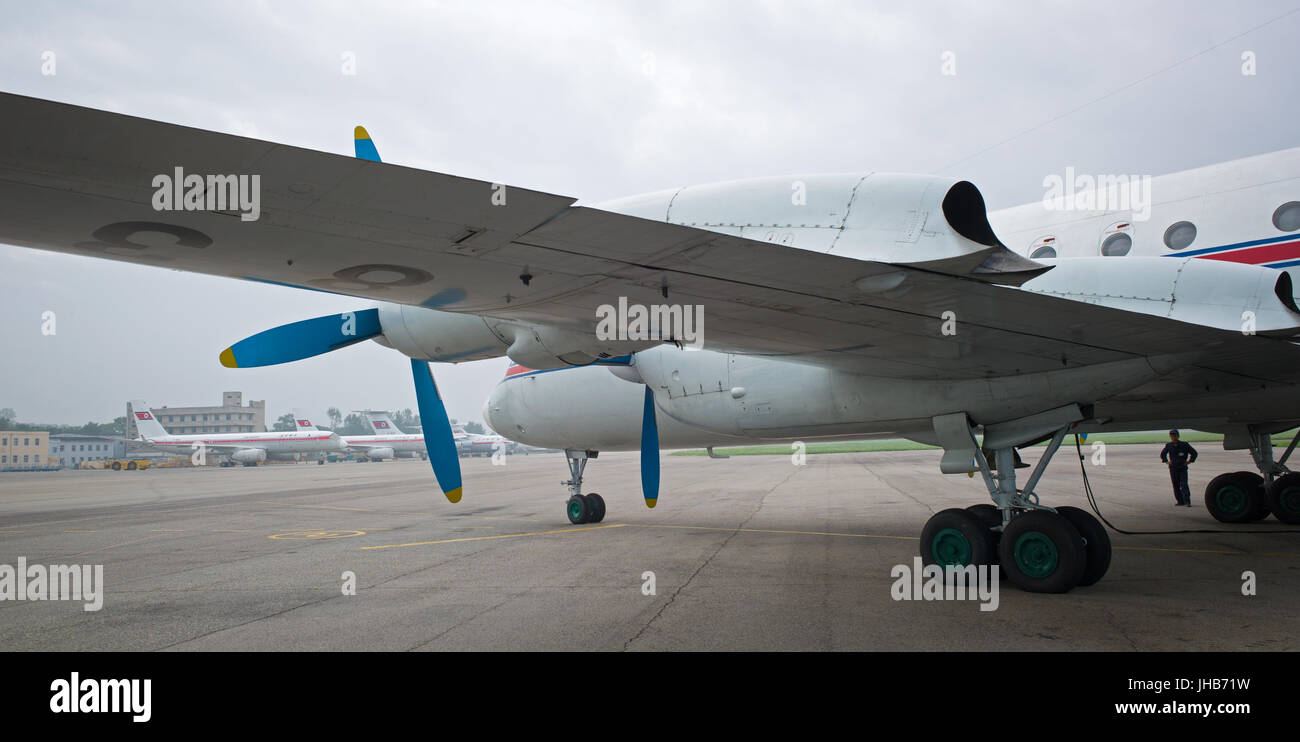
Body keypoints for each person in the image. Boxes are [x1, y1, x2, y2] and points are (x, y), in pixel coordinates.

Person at [1160, 429, 1198, 507]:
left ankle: (1187, 501)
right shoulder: (1169, 445)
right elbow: (1163, 454)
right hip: (1173, 468)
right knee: (1176, 485)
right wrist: (1167, 461)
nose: (1173, 437)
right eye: (1172, 435)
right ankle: (1180, 501)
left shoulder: (1184, 445)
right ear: (1170, 436)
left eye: (1175, 435)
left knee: (1184, 484)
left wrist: (1189, 461)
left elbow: (1194, 453)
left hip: (1182, 468)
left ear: (1178, 436)